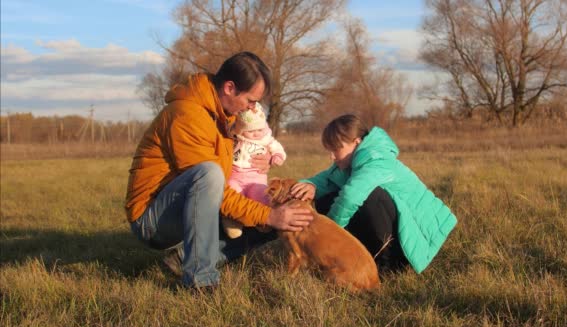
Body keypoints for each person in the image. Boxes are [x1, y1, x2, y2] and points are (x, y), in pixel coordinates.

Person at [126, 51, 313, 291]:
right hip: (152, 220)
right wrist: (268, 216)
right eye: (251, 100)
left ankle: (184, 258)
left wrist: (261, 160)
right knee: (212, 176)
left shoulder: (222, 116)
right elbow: (211, 184)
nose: (253, 108)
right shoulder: (187, 116)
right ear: (229, 87)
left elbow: (226, 173)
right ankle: (200, 281)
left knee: (272, 209)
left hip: (189, 205)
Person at [290, 114, 457, 273]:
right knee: (327, 198)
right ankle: (346, 254)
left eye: (336, 149)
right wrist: (312, 185)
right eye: (329, 150)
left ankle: (389, 264)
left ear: (356, 142)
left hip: (417, 237)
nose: (332, 156)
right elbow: (329, 177)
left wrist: (328, 234)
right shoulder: (351, 162)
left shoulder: (377, 160)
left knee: (371, 197)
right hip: (400, 228)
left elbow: (350, 197)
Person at [222, 101, 287, 239]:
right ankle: (232, 222)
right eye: (251, 131)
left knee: (261, 195)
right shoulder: (236, 139)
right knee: (232, 192)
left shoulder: (266, 139)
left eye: (259, 129)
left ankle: (264, 221)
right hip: (235, 176)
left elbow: (277, 148)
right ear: (241, 130)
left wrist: (275, 157)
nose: (256, 133)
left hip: (256, 178)